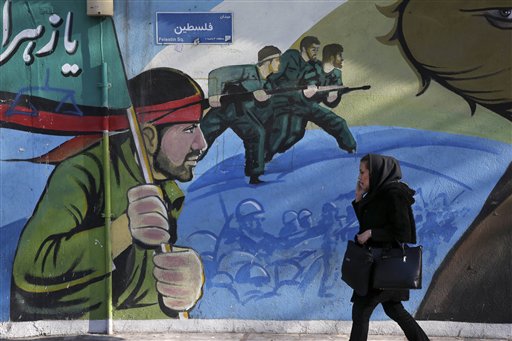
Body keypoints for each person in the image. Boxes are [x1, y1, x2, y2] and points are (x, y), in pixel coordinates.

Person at [10, 68, 207, 321]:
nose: (201, 143)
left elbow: (132, 282)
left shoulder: (165, 189)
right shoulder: (83, 172)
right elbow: (31, 267)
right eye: (189, 129)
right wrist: (122, 231)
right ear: (148, 137)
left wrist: (182, 284)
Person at [349, 154, 429, 340]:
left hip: (384, 264)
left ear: (376, 172)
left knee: (361, 311)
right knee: (394, 309)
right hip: (381, 265)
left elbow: (404, 232)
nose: (359, 177)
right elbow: (368, 222)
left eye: (362, 172)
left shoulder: (394, 194)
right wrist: (359, 199)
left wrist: (372, 233)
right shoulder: (379, 193)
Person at [265, 37, 356, 161]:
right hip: (284, 101)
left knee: (296, 133)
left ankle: (351, 148)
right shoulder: (295, 58)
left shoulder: (320, 68)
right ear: (304, 48)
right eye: (313, 49)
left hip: (304, 104)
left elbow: (329, 100)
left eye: (317, 50)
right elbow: (274, 78)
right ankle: (264, 156)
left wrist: (332, 97)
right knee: (284, 132)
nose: (315, 52)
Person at [200, 46, 282, 184]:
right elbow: (217, 74)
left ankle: (254, 175)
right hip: (223, 110)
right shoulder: (248, 70)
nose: (280, 63)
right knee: (200, 140)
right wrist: (214, 94)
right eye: (277, 60)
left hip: (240, 114)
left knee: (257, 133)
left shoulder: (266, 82)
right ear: (268, 62)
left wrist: (262, 99)